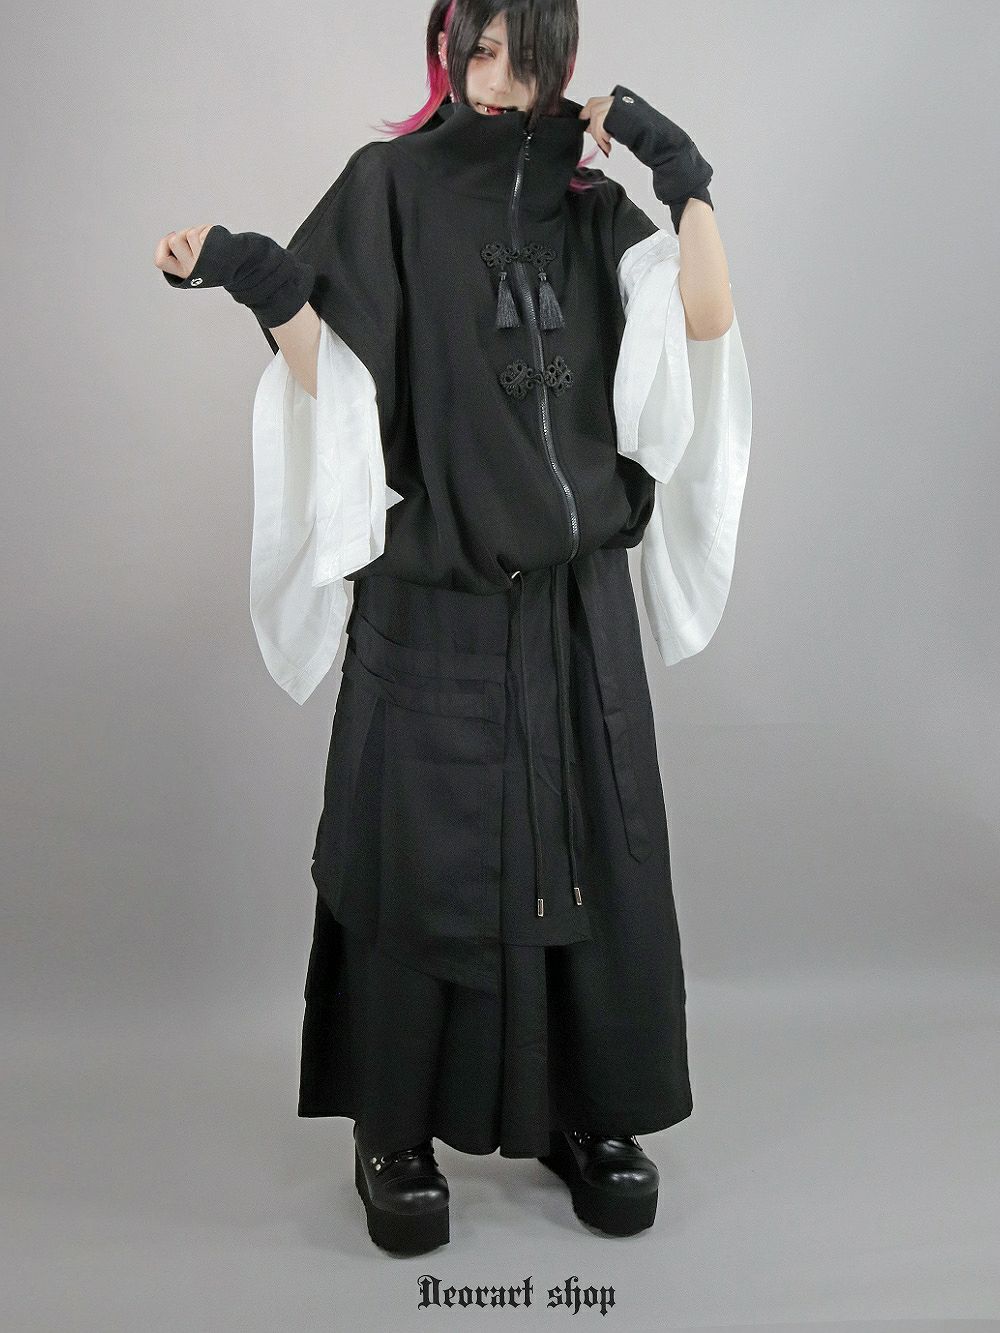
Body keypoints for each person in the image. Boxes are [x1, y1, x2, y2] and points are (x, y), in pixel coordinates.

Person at [155, 0, 751, 1257]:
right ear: (445, 45)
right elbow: (340, 381)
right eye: (475, 48)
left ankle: (586, 1110)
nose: (493, 79)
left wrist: (679, 171)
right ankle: (394, 1131)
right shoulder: (391, 187)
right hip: (435, 595)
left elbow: (702, 320)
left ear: (559, 65)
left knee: (592, 855)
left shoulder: (594, 212)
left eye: (523, 58)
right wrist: (260, 280)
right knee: (415, 864)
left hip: (573, 604)